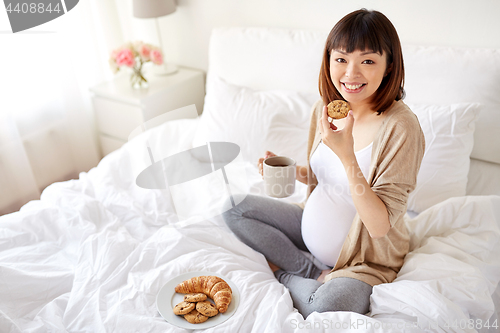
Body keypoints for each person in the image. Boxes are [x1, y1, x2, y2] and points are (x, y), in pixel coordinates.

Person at [222, 9, 425, 318]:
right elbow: (326, 178)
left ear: (389, 66)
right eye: (341, 59)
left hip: (365, 258)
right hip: (309, 229)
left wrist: (347, 154)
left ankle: (283, 274)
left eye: (367, 61)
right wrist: (293, 172)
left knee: (329, 305)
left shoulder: (401, 127)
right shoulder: (326, 108)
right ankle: (308, 270)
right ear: (328, 59)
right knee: (234, 208)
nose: (351, 73)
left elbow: (380, 225)